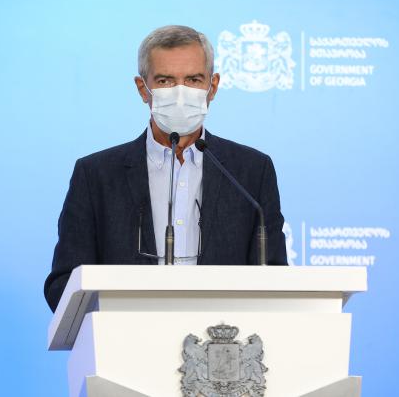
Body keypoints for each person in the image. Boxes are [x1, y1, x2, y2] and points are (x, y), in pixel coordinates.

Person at [44, 25, 287, 312]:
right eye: (165, 80)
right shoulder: (96, 175)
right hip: (129, 336)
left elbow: (275, 280)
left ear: (213, 86)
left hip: (222, 336)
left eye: (194, 79)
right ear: (142, 89)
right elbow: (64, 285)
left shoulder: (251, 172)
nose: (180, 92)